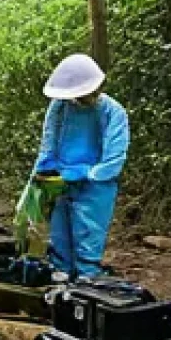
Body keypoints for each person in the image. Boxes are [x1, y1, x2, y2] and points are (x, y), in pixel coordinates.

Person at [32, 54, 129, 280]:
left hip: (95, 188)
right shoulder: (60, 107)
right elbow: (48, 143)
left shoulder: (113, 111)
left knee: (88, 241)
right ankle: (60, 287)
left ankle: (87, 287)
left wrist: (87, 172)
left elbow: (114, 158)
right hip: (61, 183)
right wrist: (43, 171)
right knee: (60, 240)